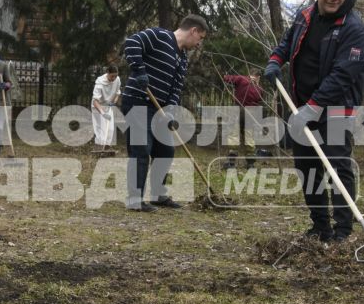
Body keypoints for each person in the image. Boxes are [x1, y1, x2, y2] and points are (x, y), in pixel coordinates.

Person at [262, 0, 364, 242]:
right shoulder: (305, 15)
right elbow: (288, 42)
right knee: (308, 167)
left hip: (335, 109)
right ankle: (320, 226)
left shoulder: (354, 29)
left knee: (337, 166)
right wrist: (276, 60)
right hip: (301, 106)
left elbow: (343, 75)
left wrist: (314, 106)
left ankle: (343, 231)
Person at [121, 16, 211, 210]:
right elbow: (131, 43)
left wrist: (170, 111)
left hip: (160, 110)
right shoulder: (159, 35)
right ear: (193, 31)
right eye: (200, 38)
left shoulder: (183, 58)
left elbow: (175, 89)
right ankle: (134, 200)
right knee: (141, 150)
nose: (198, 43)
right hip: (138, 102)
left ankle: (158, 195)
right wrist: (139, 71)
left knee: (166, 150)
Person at [221, 70, 269, 162]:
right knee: (249, 135)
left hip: (237, 109)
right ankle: (250, 163)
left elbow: (227, 79)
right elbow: (260, 102)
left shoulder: (241, 79)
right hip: (251, 113)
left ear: (249, 74)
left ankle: (231, 161)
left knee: (234, 134)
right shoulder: (260, 89)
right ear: (258, 77)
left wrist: (225, 76)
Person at [90, 64, 121, 149]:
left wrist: (113, 102)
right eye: (112, 76)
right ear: (107, 73)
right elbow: (95, 101)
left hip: (108, 106)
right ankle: (99, 150)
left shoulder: (117, 80)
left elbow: (117, 93)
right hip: (98, 107)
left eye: (115, 76)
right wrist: (103, 113)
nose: (114, 78)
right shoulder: (100, 82)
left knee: (110, 130)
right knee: (102, 130)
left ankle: (106, 150)